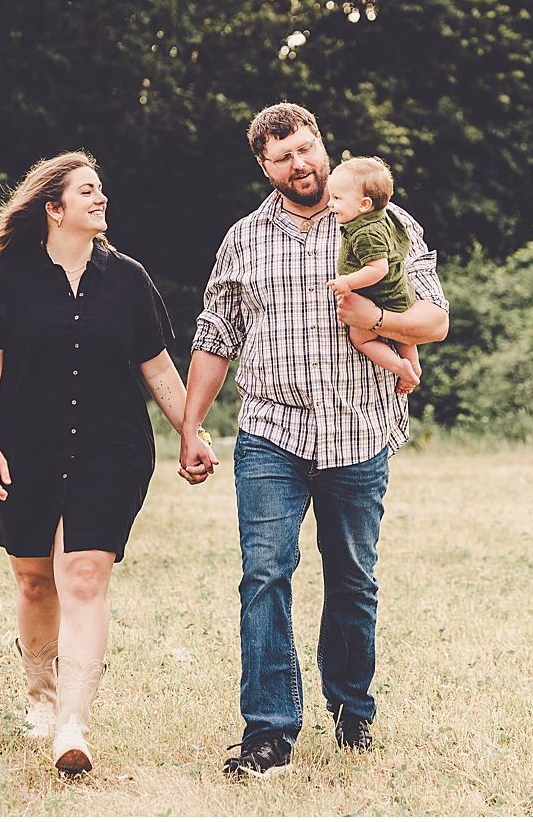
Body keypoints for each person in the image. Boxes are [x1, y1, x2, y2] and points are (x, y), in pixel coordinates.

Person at [180, 102, 449, 777]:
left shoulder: (383, 219)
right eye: (282, 156)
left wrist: (378, 314)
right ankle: (269, 731)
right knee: (264, 574)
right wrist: (189, 423)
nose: (299, 163)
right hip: (272, 431)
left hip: (358, 430)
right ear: (264, 167)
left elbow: (434, 317)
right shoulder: (243, 237)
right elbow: (217, 336)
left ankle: (352, 707)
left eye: (306, 148)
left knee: (353, 578)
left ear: (322, 145)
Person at [0, 151, 208, 776]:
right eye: (87, 191)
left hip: (110, 448)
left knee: (86, 576)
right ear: (54, 208)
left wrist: (191, 432)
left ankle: (72, 723)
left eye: (101, 189)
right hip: (24, 448)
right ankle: (40, 699)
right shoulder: (9, 278)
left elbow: (158, 370)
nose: (101, 199)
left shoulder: (127, 278)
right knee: (35, 580)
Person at [326, 156, 422, 395]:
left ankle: (399, 366)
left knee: (362, 339)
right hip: (398, 293)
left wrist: (347, 282)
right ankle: (414, 368)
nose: (330, 204)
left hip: (381, 296)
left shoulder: (365, 233)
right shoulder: (384, 216)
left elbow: (378, 269)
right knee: (405, 339)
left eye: (337, 198)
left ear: (364, 204)